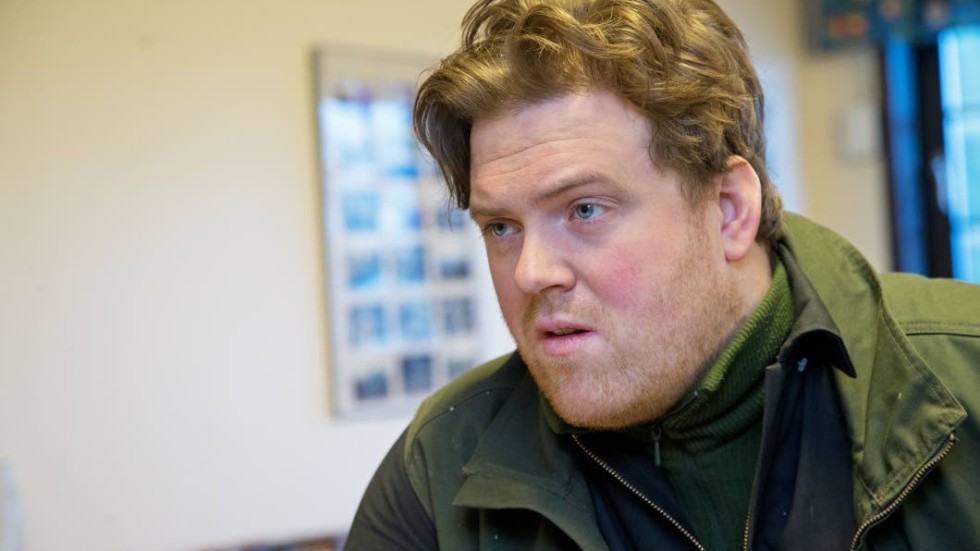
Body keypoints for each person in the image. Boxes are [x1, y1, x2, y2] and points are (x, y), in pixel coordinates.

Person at [345, 0, 980, 549]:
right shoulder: (438, 467)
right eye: (501, 227)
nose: (531, 273)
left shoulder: (966, 371)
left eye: (584, 210)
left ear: (729, 210)